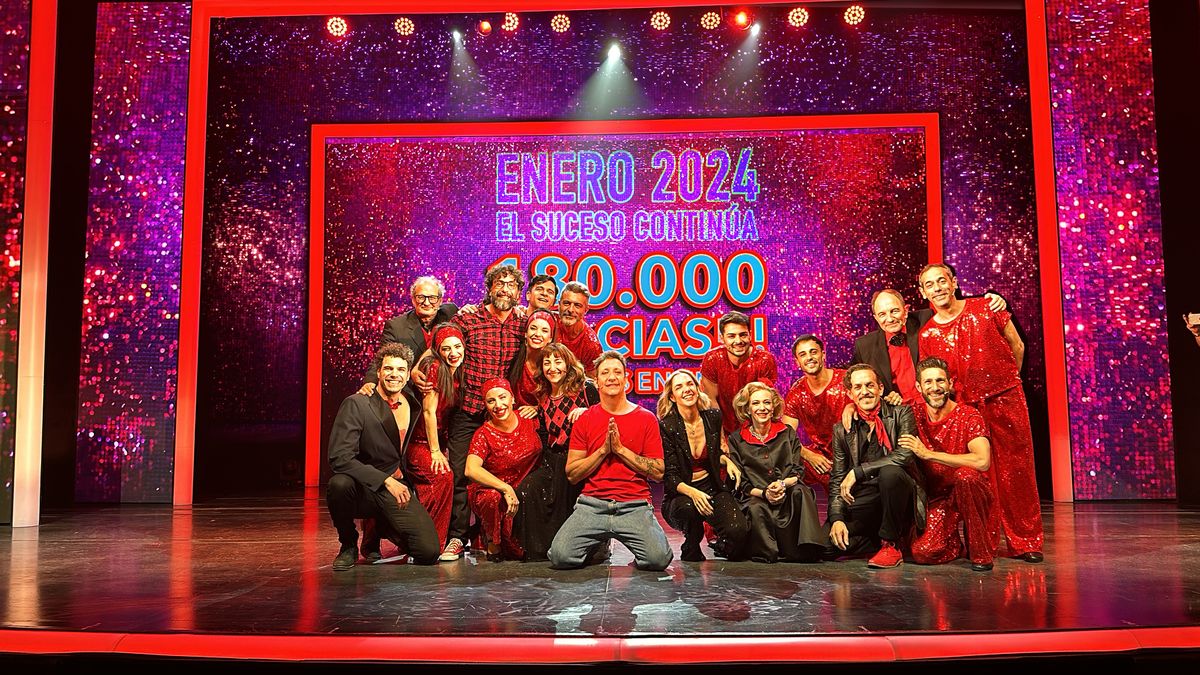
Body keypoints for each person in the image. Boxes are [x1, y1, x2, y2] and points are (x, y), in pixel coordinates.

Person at [916, 263, 1044, 562]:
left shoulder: (986, 307)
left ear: (953, 282)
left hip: (1005, 398)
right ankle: (983, 542)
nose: (937, 288)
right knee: (976, 475)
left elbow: (1017, 345)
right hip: (966, 410)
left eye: (942, 281)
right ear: (923, 292)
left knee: (1017, 470)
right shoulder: (927, 335)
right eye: (929, 284)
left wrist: (1007, 383)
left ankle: (1026, 541)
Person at [548, 351, 673, 571]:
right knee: (560, 557)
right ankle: (599, 543)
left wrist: (621, 450)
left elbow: (658, 471)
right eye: (605, 373)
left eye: (617, 372)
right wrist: (603, 451)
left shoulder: (646, 418)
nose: (611, 377)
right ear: (596, 382)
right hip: (592, 504)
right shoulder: (585, 419)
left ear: (626, 379)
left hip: (634, 504)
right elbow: (572, 473)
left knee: (658, 560)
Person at [436, 264, 527, 562]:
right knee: (461, 474)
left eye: (511, 284)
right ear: (489, 288)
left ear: (518, 291)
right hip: (469, 410)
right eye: (499, 283)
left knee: (502, 475)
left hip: (500, 415)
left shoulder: (522, 323)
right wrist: (422, 366)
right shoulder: (469, 317)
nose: (505, 289)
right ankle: (457, 537)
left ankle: (497, 535)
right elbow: (443, 336)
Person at [327, 343, 440, 570]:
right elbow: (340, 457)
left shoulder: (412, 403)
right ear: (378, 372)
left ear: (408, 375)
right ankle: (348, 544)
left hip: (397, 487)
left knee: (428, 552)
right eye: (388, 369)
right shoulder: (357, 403)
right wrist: (385, 480)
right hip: (365, 487)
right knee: (338, 484)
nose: (394, 374)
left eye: (400, 370)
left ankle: (383, 525)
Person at [902, 357, 998, 572]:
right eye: (928, 382)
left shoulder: (969, 415)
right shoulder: (913, 414)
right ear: (918, 387)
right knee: (923, 552)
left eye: (940, 381)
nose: (935, 387)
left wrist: (930, 455)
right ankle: (953, 543)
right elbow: (876, 410)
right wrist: (850, 408)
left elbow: (982, 461)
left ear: (950, 383)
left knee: (966, 476)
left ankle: (980, 552)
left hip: (970, 492)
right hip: (937, 497)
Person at [827, 364, 925, 568]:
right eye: (858, 387)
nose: (865, 391)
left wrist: (859, 472)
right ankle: (874, 539)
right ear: (850, 394)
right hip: (865, 500)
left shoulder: (901, 413)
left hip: (897, 495)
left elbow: (905, 455)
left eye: (869, 385)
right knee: (822, 546)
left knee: (890, 473)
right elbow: (837, 477)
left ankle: (890, 544)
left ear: (880, 389)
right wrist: (836, 518)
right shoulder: (841, 429)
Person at [513, 342, 598, 560]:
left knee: (568, 490)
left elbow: (604, 414)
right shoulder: (543, 394)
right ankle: (539, 549)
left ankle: (579, 548)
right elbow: (545, 433)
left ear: (568, 364)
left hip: (580, 458)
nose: (552, 367)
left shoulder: (585, 388)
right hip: (552, 459)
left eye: (557, 361)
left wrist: (586, 412)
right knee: (527, 489)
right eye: (547, 362)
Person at [852, 288, 1005, 406]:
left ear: (906, 310)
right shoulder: (864, 346)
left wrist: (989, 300)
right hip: (898, 416)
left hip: (937, 405)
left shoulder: (926, 319)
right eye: (882, 314)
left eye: (895, 311)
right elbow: (850, 382)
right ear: (876, 318)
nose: (890, 319)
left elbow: (954, 309)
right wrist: (852, 405)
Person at [726, 382, 824, 563]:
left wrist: (781, 484)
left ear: (773, 407)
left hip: (786, 490)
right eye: (756, 403)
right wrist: (765, 493)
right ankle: (767, 551)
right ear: (747, 409)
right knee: (756, 507)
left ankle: (804, 549)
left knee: (801, 492)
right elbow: (742, 483)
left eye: (767, 402)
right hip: (757, 496)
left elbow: (798, 471)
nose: (762, 408)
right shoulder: (736, 439)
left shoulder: (788, 433)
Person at [658, 370, 750, 562]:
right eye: (679, 387)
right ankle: (691, 542)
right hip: (681, 493)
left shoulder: (713, 417)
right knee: (689, 508)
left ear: (697, 388)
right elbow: (670, 476)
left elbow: (713, 456)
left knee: (738, 531)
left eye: (689, 384)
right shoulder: (667, 426)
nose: (686, 389)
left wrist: (726, 461)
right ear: (672, 397)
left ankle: (720, 547)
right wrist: (694, 493)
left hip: (711, 487)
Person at [465, 379, 544, 561]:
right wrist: (505, 488)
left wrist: (537, 408)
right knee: (491, 497)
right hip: (494, 489)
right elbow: (470, 469)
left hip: (528, 486)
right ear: (485, 405)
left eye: (502, 397)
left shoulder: (529, 419)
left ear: (513, 399)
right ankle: (493, 541)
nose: (498, 405)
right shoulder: (483, 434)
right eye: (491, 401)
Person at [407, 323, 462, 548]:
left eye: (457, 346)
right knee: (442, 476)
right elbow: (429, 412)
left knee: (449, 476)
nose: (454, 353)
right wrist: (435, 451)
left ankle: (431, 541)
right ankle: (428, 541)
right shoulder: (435, 368)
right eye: (446, 348)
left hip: (437, 440)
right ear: (438, 351)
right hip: (420, 442)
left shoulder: (456, 370)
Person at [360, 276, 458, 393]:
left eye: (432, 298)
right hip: (413, 391)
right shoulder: (396, 326)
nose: (426, 303)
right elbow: (383, 356)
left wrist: (469, 309)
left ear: (440, 301)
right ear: (413, 299)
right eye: (421, 297)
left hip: (449, 388)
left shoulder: (451, 312)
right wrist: (370, 381)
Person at [781, 334, 844, 494]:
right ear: (797, 362)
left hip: (853, 452)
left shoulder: (846, 380)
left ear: (823, 355)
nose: (809, 357)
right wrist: (808, 455)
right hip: (821, 457)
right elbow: (785, 434)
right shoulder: (796, 393)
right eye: (803, 354)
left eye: (813, 352)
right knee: (784, 461)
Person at [700, 311, 778, 434]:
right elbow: (711, 402)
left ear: (750, 335)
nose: (738, 341)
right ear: (722, 338)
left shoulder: (764, 360)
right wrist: (720, 437)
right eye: (731, 336)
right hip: (722, 428)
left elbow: (764, 404)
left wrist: (757, 437)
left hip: (755, 429)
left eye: (743, 335)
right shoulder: (712, 359)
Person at [509, 309, 556, 409]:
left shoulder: (555, 365)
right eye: (533, 328)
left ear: (550, 338)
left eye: (544, 331)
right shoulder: (513, 357)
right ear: (526, 333)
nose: (538, 334)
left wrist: (538, 408)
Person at [556, 281, 604, 377]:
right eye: (566, 303)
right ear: (559, 305)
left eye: (577, 305)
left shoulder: (592, 344)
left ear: (586, 310)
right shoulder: (547, 322)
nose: (570, 310)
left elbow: (593, 380)